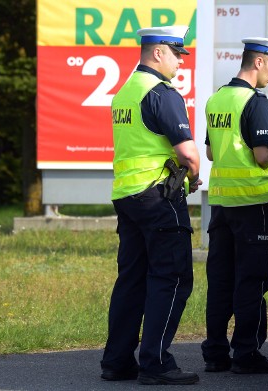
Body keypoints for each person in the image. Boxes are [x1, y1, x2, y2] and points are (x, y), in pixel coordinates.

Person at [100, 25, 202, 386]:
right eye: (177, 54)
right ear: (158, 52)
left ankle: (116, 362)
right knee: (172, 278)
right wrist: (193, 175)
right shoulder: (162, 93)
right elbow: (189, 154)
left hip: (127, 198)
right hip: (159, 198)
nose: (179, 62)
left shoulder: (125, 92)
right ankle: (156, 363)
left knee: (131, 280)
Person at [201, 37, 268, 374]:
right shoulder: (255, 101)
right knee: (252, 279)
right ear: (258, 62)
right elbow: (260, 157)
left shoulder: (218, 98)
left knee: (221, 278)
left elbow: (212, 153)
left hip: (222, 204)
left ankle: (214, 352)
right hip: (251, 204)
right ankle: (245, 353)